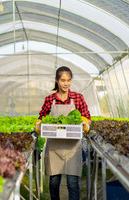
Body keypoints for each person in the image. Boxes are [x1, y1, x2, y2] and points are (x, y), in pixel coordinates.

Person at [38, 66, 91, 200]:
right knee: (54, 182)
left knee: (72, 183)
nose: (66, 83)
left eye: (68, 80)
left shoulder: (78, 98)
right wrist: (39, 126)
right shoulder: (50, 99)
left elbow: (87, 117)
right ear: (56, 80)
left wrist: (85, 124)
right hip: (54, 146)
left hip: (72, 147)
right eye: (62, 80)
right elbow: (42, 117)